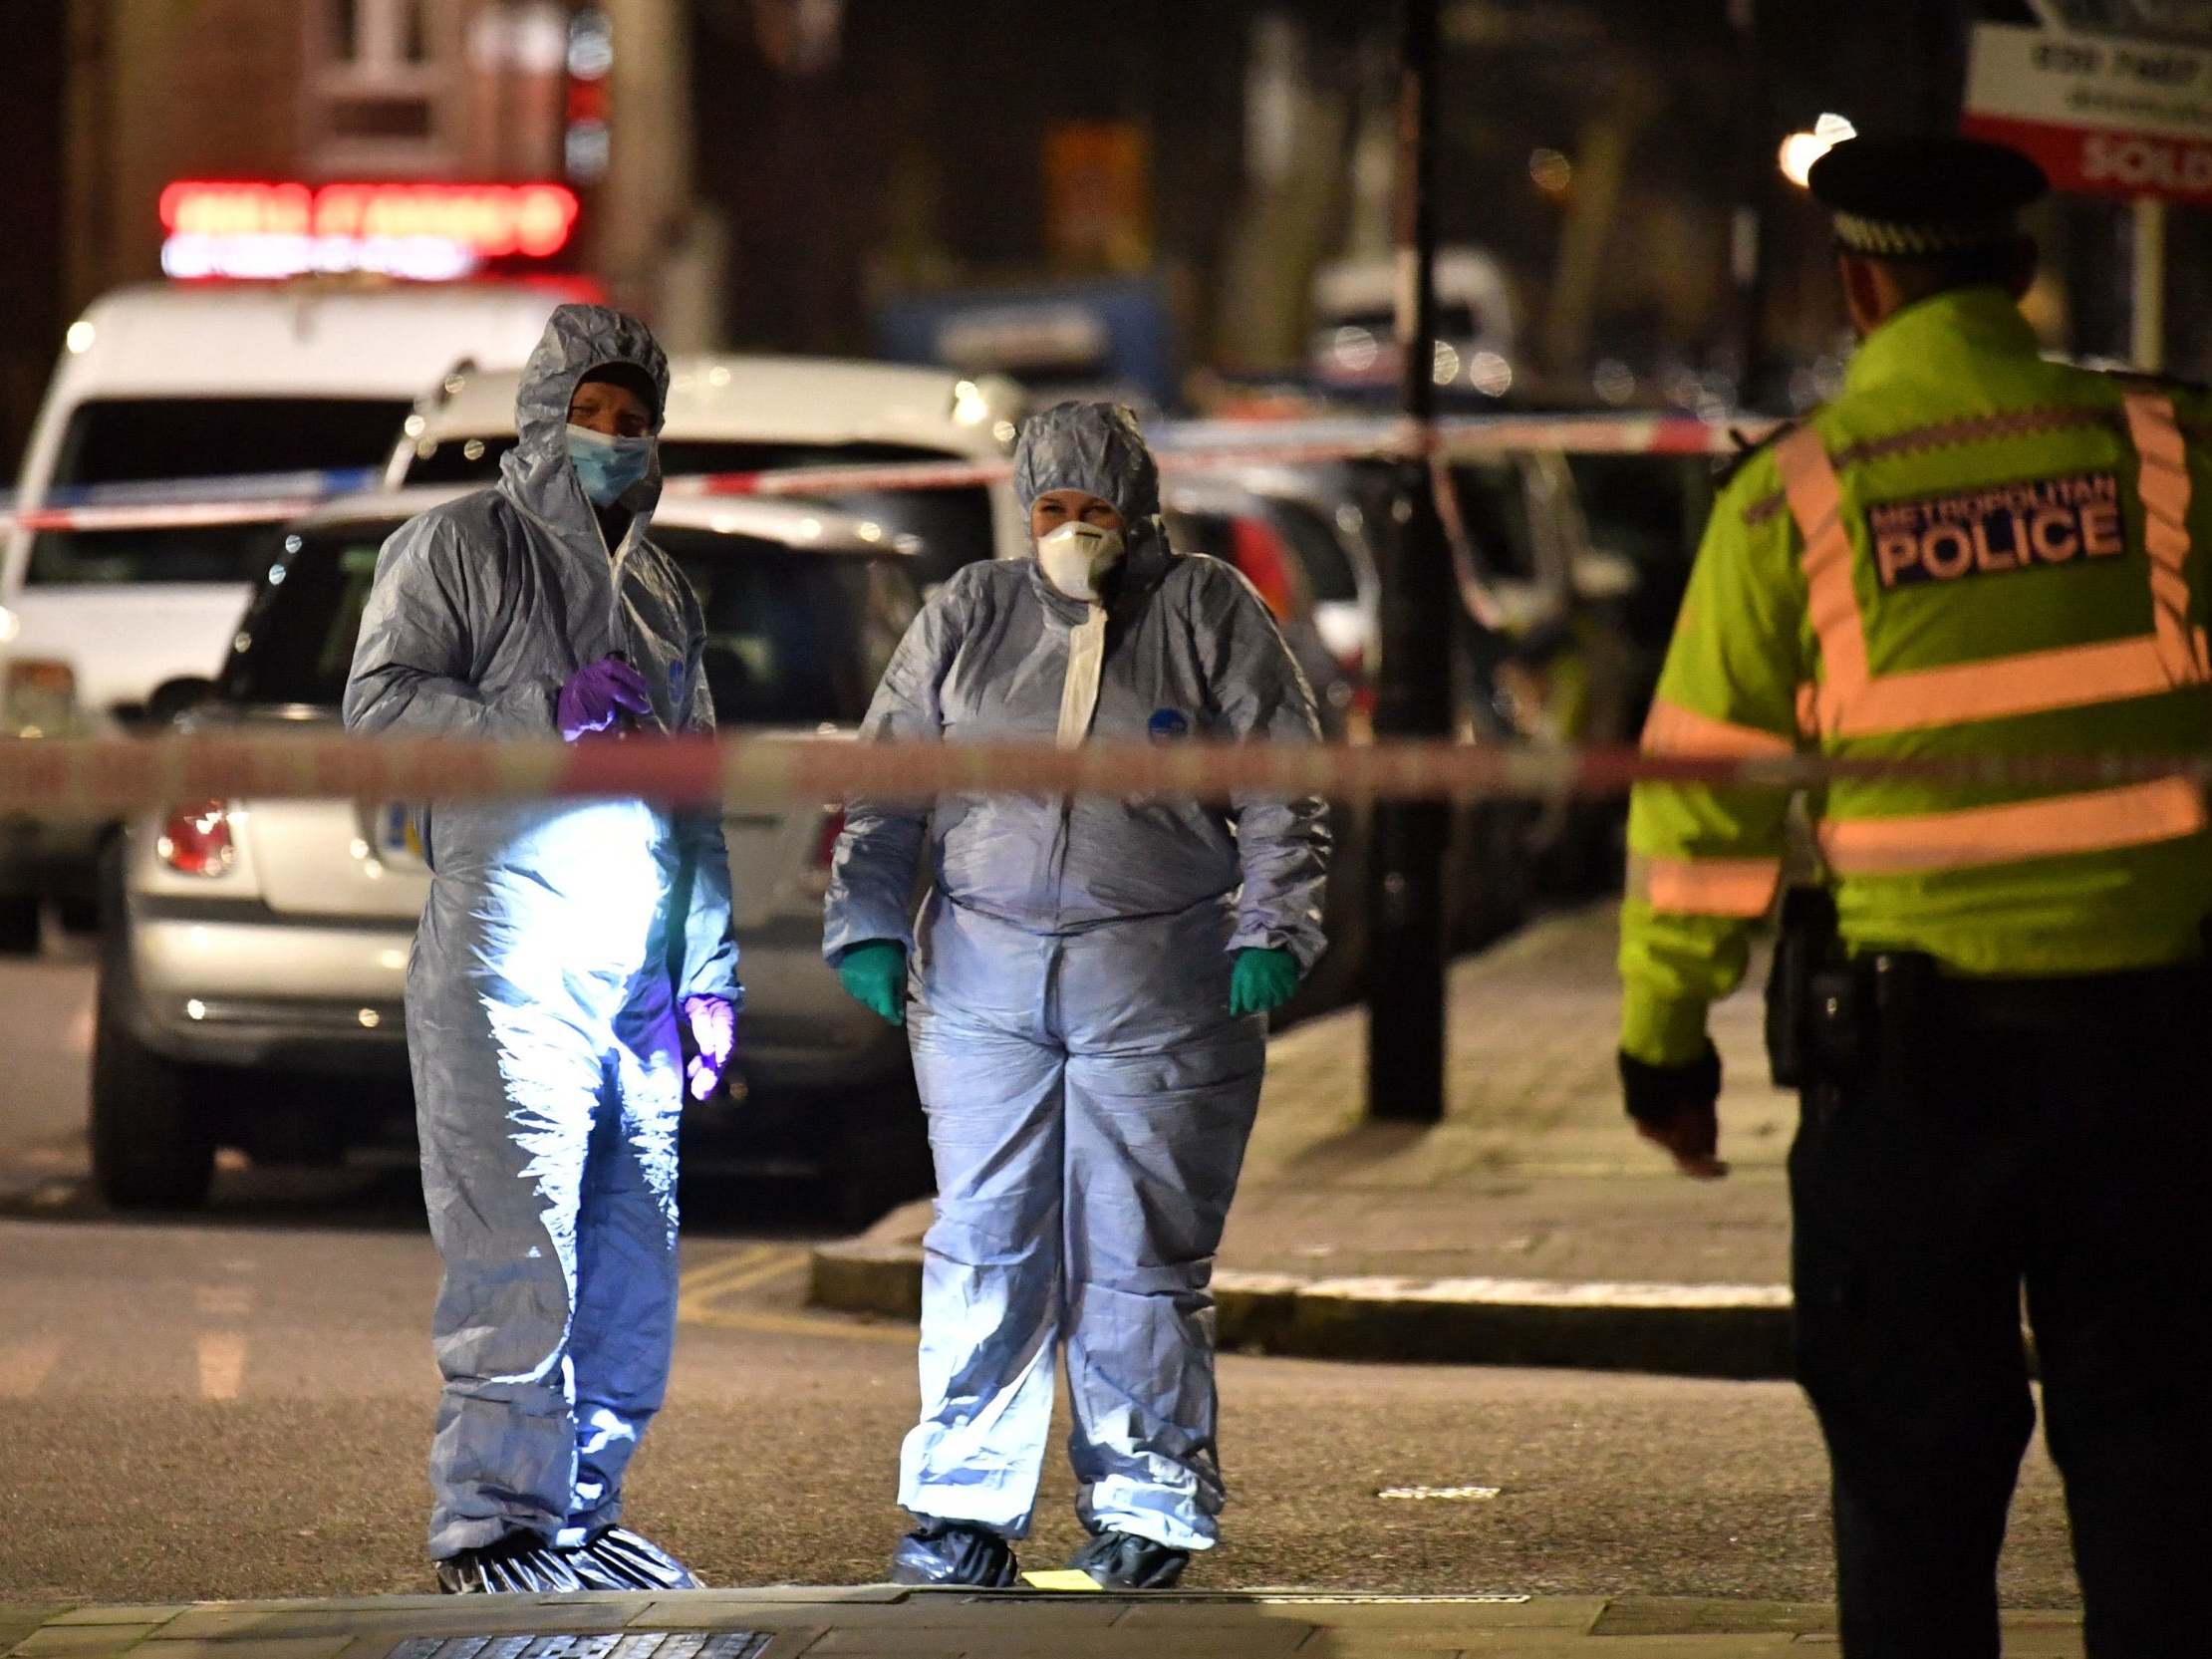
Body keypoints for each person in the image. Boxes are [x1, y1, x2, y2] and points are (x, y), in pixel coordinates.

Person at [1617, 136, 2212, 1658]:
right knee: (2162, 1474)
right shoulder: (2170, 454)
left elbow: (1707, 794)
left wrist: (1665, 1043)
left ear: (1860, 283)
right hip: (2160, 1055)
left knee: (1910, 1486)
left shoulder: (1794, 495)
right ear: (2023, 275)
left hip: (1913, 1077)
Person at [823, 402, 1330, 1590]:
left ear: (1138, 512)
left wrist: (1271, 928)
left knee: (1138, 1254)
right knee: (985, 1245)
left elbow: (1282, 789)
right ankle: (959, 1506)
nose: (1070, 531)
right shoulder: (970, 614)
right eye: (1051, 509)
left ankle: (1147, 1504)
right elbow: (889, 783)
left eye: (1093, 511)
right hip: (983, 983)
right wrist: (869, 919)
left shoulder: (1207, 612)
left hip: (1160, 987)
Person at [345, 304, 740, 1595]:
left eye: (636, 424)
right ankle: (494, 1517)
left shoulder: (667, 594)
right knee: (520, 1242)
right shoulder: (455, 550)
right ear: (541, 413)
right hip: (508, 939)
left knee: (632, 1253)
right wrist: (537, 711)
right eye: (593, 414)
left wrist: (705, 969)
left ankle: (584, 1503)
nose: (614, 442)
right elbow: (381, 710)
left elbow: (697, 798)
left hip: (632, 959)